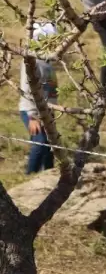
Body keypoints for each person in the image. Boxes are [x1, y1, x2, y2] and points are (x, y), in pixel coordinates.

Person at [18, 23, 58, 174]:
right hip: (32, 111)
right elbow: (26, 88)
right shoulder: (30, 61)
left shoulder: (47, 61)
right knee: (40, 143)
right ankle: (30, 176)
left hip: (47, 111)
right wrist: (32, 116)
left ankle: (50, 174)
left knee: (49, 145)